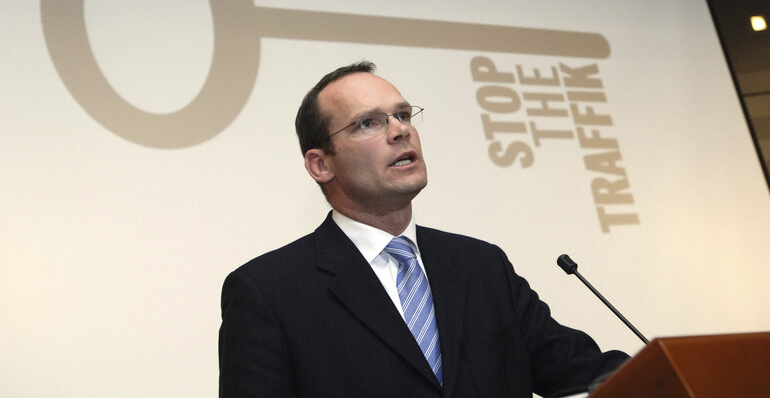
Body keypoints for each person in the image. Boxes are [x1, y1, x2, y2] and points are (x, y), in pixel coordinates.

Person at [219, 61, 627, 398]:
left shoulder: (481, 265)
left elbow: (582, 371)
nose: (400, 130)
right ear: (320, 164)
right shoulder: (268, 292)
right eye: (367, 123)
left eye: (402, 114)